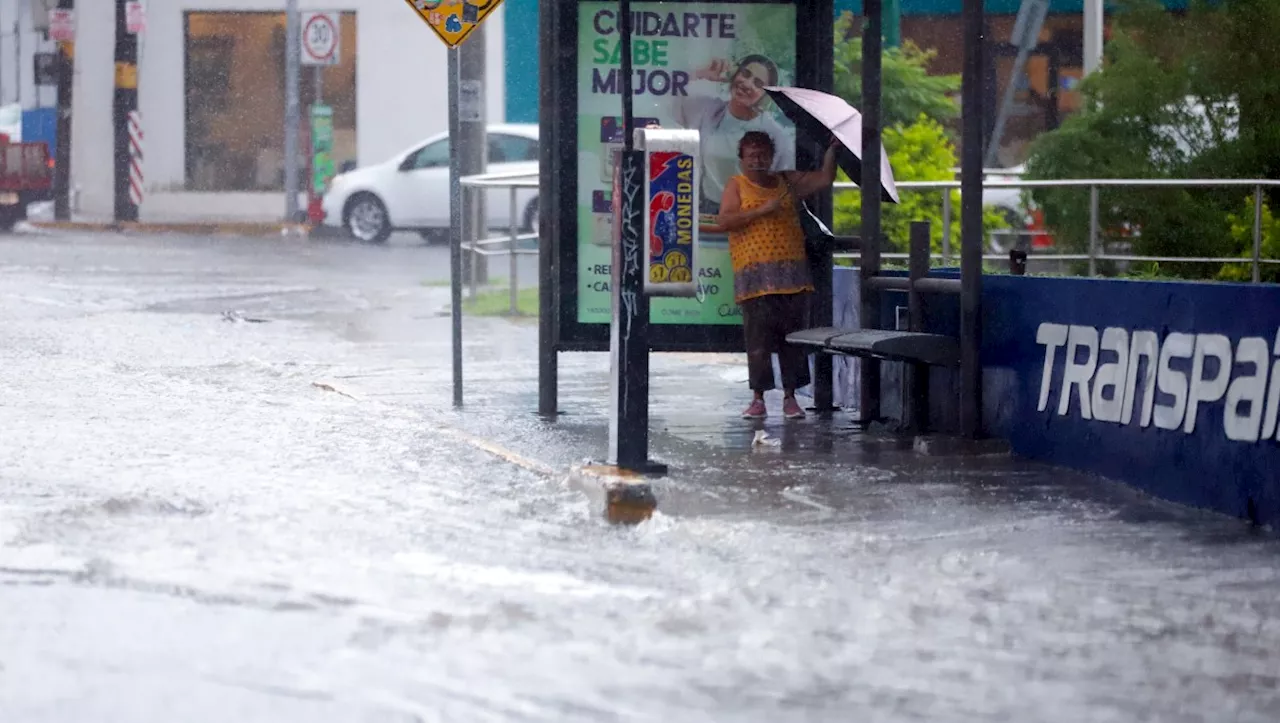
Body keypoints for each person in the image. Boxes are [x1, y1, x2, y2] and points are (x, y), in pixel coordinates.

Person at [712, 130, 838, 420]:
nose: (758, 160)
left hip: (792, 277)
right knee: (758, 342)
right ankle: (758, 398)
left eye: (763, 154)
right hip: (754, 280)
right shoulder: (737, 185)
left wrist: (832, 153)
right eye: (752, 155)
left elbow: (823, 179)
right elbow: (725, 220)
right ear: (741, 159)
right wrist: (762, 211)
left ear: (771, 156)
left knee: (791, 341)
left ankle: (791, 398)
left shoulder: (787, 182)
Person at [671, 55, 797, 219]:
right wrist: (700, 73)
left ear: (766, 95)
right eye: (745, 74)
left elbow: (784, 187)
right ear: (735, 74)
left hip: (751, 215)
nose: (747, 84)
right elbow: (667, 96)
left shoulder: (776, 135)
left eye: (758, 84)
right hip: (708, 210)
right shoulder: (709, 110)